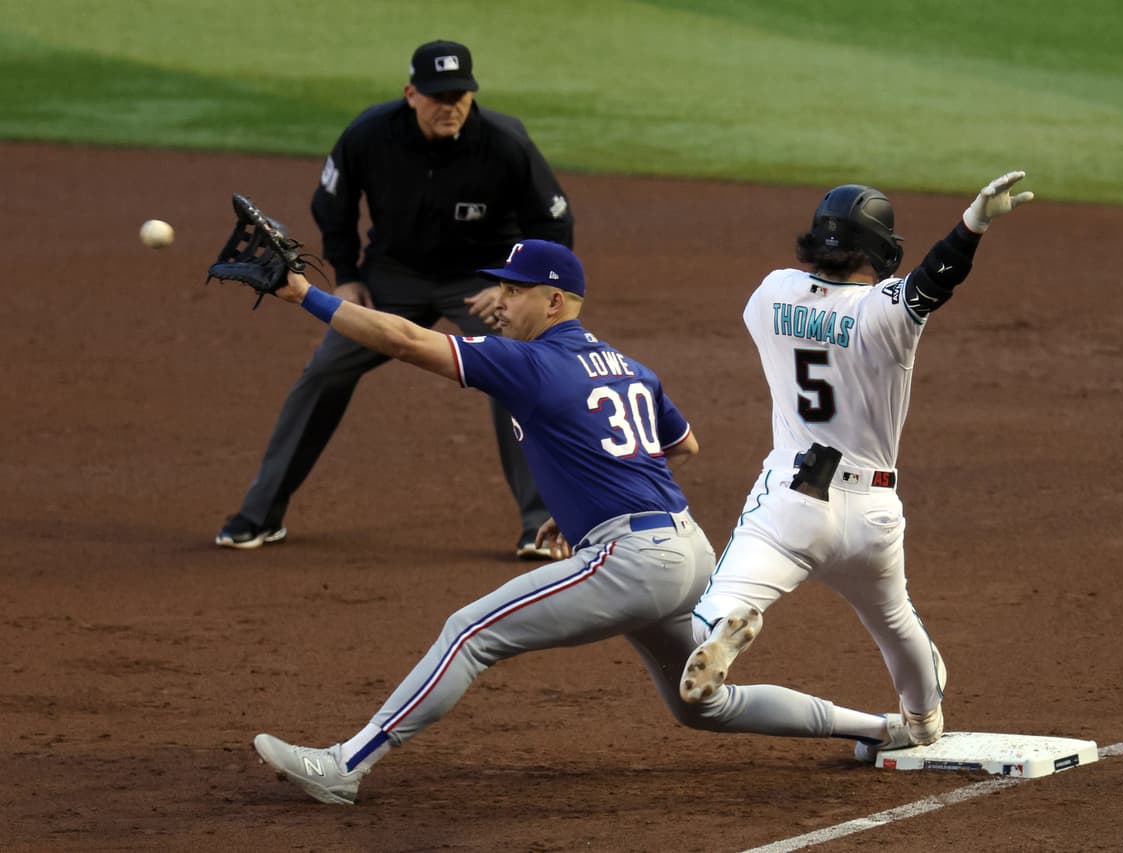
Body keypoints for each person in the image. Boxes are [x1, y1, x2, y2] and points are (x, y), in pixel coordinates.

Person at [247, 239, 911, 805]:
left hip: (634, 560)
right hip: (688, 551)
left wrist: (302, 292)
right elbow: (684, 445)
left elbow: (400, 337)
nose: (497, 301)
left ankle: (345, 765)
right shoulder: (628, 366)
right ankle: (879, 726)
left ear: (554, 302)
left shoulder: (528, 362)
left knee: (469, 631)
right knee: (702, 704)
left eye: (514, 290)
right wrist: (588, 505)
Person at [679, 172, 1035, 760]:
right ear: (880, 250)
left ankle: (726, 628)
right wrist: (974, 224)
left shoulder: (771, 294)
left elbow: (819, 299)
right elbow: (933, 281)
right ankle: (922, 720)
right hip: (871, 510)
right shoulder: (884, 312)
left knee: (705, 619)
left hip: (790, 505)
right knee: (895, 620)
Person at [215, 40, 573, 559]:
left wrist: (515, 287)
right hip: (393, 278)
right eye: (437, 96)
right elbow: (332, 205)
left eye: (460, 95)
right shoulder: (370, 134)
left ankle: (539, 524)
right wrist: (346, 276)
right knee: (325, 371)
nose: (450, 105)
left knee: (518, 375)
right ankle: (259, 514)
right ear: (411, 94)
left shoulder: (503, 141)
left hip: (482, 281)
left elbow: (555, 222)